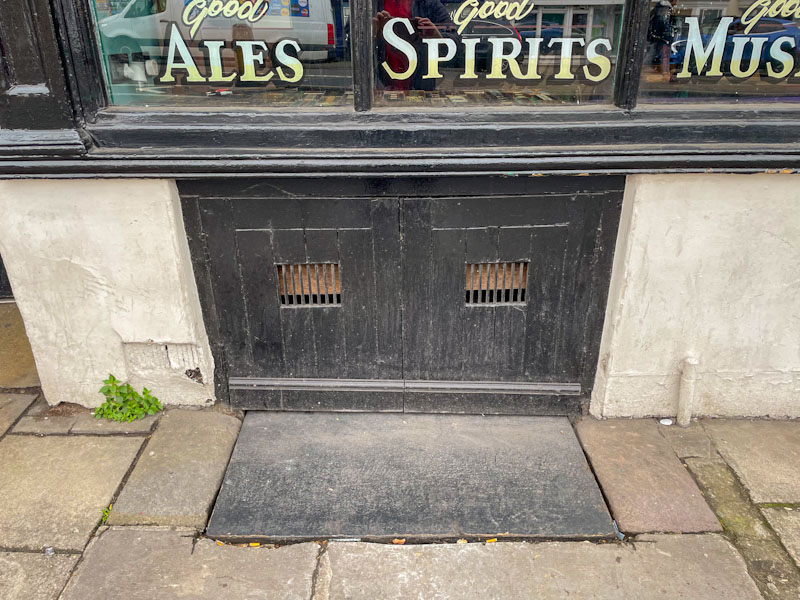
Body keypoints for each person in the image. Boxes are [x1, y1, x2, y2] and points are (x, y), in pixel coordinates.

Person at [373, 0, 458, 91]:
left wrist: (436, 38)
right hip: (381, 89)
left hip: (418, 90)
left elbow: (458, 47)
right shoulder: (372, 5)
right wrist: (372, 34)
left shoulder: (428, 3)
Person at [647, 0, 676, 80]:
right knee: (654, 54)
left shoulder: (663, 18)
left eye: (666, 10)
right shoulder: (658, 19)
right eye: (663, 9)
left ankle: (665, 72)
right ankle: (664, 72)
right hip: (659, 40)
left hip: (662, 40)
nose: (665, 11)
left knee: (662, 55)